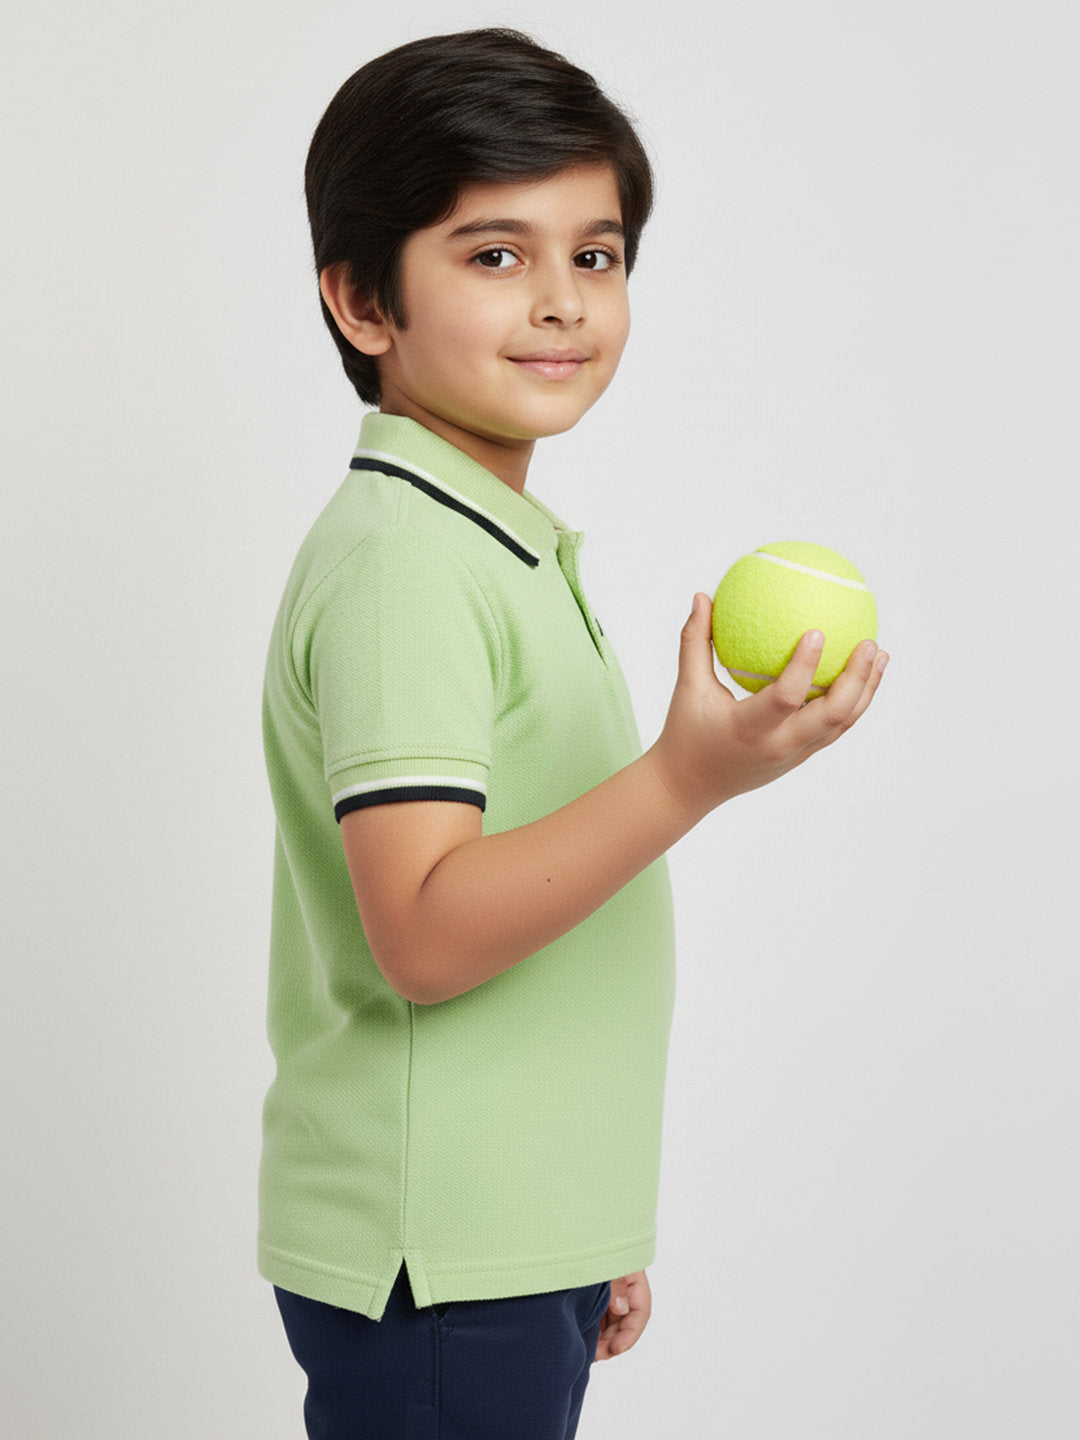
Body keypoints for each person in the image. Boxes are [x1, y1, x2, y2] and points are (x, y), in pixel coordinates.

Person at [259, 27, 887, 1440]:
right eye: (495, 254)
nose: (560, 302)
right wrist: (687, 778)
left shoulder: (487, 542)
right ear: (362, 300)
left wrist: (575, 1220)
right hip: (437, 1258)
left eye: (594, 256)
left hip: (495, 1241)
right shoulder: (407, 563)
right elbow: (424, 934)